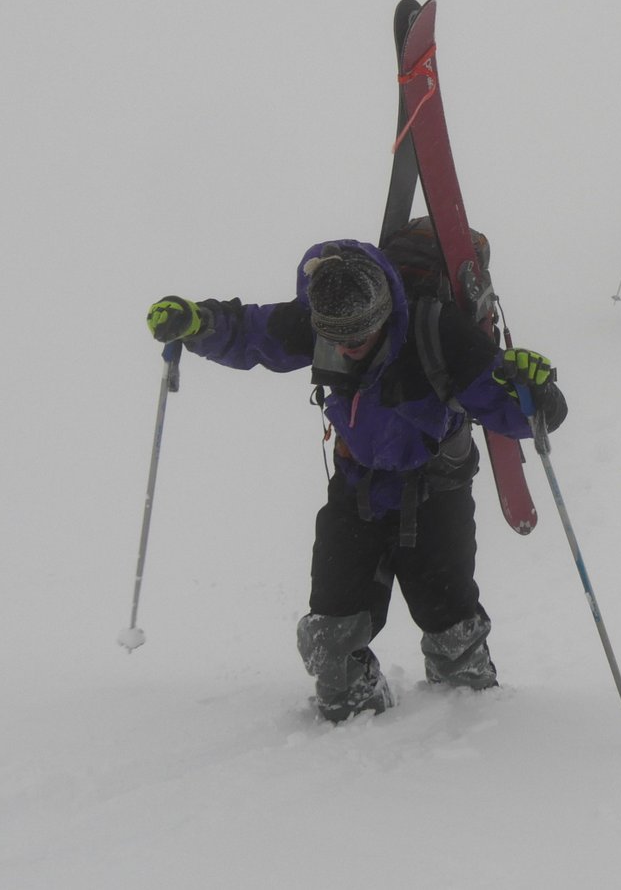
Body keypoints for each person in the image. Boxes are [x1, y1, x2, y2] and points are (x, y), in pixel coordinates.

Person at [145, 238, 567, 723]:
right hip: (358, 487)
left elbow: (508, 411)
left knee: (453, 629)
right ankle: (354, 705)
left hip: (436, 490)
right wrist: (197, 322)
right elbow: (250, 333)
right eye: (336, 337)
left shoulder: (439, 333)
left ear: (384, 313)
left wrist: (538, 394)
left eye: (359, 335)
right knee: (331, 637)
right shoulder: (321, 322)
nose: (347, 347)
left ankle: (469, 719)